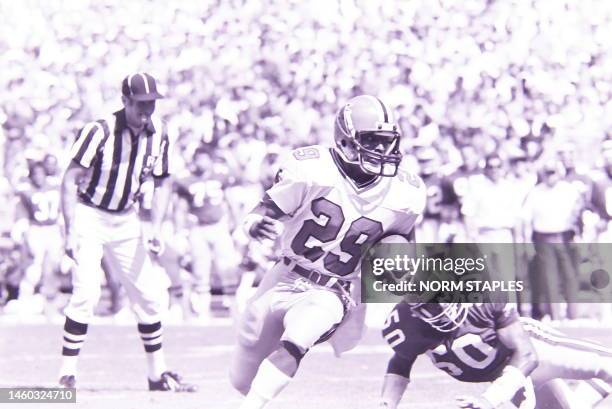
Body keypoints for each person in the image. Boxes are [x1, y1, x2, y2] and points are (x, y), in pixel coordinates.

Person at [230, 95, 427, 409]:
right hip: (285, 274)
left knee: (298, 339)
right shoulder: (310, 168)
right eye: (371, 140)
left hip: (335, 288)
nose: (381, 149)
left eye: (386, 142)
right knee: (242, 378)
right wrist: (253, 226)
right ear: (345, 141)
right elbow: (260, 212)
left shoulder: (406, 192)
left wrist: (396, 274)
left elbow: (405, 247)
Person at [58, 72, 195, 392]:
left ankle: (156, 374)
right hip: (90, 213)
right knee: (86, 293)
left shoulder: (159, 132)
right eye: (140, 104)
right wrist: (69, 230)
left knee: (149, 297)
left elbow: (163, 181)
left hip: (126, 219)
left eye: (151, 104)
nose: (146, 111)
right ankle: (66, 376)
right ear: (125, 101)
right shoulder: (100, 131)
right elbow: (69, 179)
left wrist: (156, 226)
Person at [380, 301, 612, 409]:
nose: (445, 304)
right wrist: (386, 405)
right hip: (505, 374)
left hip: (534, 349)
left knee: (607, 364)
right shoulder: (408, 325)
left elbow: (528, 355)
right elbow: (400, 360)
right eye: (433, 303)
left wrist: (490, 398)